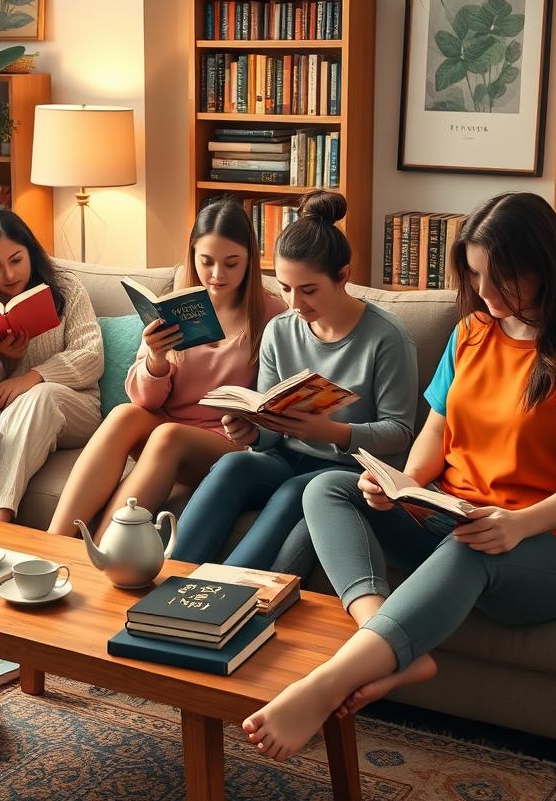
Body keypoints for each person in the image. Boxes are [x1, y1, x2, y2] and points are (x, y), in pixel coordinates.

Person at [241, 191, 556, 761]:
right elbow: (433, 436)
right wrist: (396, 482)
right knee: (329, 486)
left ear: (542, 268)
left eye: (502, 280)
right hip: (452, 511)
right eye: (477, 277)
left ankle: (325, 685)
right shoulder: (470, 334)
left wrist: (519, 524)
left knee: (472, 546)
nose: (488, 294)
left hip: (550, 547)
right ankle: (381, 637)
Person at [173, 191, 417, 573]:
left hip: (348, 470)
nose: (294, 303)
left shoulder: (386, 337)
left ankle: (223, 590)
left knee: (291, 494)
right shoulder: (280, 331)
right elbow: (270, 432)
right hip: (285, 457)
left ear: (343, 276)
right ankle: (169, 579)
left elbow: (400, 432)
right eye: (285, 288)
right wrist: (251, 432)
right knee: (231, 468)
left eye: (308, 290)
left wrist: (333, 431)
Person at [47, 196, 286, 541]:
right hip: (165, 429)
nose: (217, 275)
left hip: (224, 442)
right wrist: (156, 360)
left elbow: (272, 400)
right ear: (192, 256)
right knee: (123, 415)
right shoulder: (177, 306)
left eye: (231, 263)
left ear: (250, 260)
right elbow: (144, 402)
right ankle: (53, 544)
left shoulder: (271, 315)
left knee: (167, 435)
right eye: (206, 262)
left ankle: (101, 553)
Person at [0, 206, 104, 522]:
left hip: (76, 407)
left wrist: (32, 376)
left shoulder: (66, 288)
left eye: (16, 260)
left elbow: (90, 357)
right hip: (12, 414)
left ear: (30, 251)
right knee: (9, 413)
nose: (9, 275)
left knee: (40, 396)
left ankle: (0, 516)